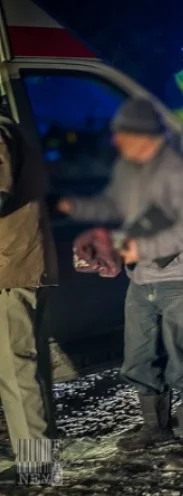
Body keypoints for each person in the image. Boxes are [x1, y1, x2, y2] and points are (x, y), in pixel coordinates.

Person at [56, 98, 183, 470]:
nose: (118, 143)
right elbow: (116, 207)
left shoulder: (182, 173)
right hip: (140, 278)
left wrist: (139, 247)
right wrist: (86, 222)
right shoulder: (131, 170)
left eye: (124, 136)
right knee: (138, 358)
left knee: (182, 359)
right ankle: (156, 428)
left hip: (176, 278)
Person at [0, 116, 58, 482]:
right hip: (18, 262)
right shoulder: (14, 128)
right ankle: (36, 457)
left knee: (19, 370)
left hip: (11, 267)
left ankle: (37, 467)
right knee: (22, 370)